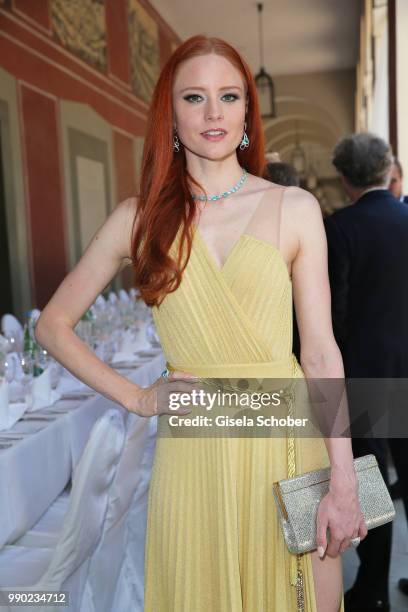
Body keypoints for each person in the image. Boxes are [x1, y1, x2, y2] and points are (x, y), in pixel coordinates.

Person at [36, 36, 367, 612]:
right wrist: (139, 399)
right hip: (195, 455)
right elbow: (53, 325)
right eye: (195, 97)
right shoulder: (136, 220)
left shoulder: (294, 208)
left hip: (287, 442)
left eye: (229, 96)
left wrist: (343, 480)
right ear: (171, 114)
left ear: (246, 113)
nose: (213, 113)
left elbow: (320, 353)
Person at [325, 132, 408, 612]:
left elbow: (335, 309)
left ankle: (372, 588)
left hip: (366, 373)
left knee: (370, 479)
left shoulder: (342, 227)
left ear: (343, 177)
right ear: (387, 169)